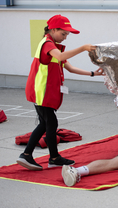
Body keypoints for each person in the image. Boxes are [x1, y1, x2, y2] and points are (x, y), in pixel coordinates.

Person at [17, 14, 104, 171]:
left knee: (46, 123)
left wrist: (93, 73)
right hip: (41, 92)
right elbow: (61, 56)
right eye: (63, 34)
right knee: (50, 122)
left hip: (45, 92)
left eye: (67, 35)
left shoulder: (54, 46)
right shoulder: (48, 44)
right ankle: (33, 155)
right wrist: (83, 48)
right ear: (53, 29)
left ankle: (46, 157)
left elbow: (69, 67)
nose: (65, 37)